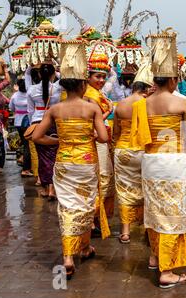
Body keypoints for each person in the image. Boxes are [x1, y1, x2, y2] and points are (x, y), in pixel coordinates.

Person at [32, 41, 109, 279]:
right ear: (84, 84)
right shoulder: (92, 108)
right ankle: (83, 247)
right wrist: (89, 136)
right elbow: (104, 138)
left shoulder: (55, 109)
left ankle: (69, 255)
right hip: (86, 161)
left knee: (66, 206)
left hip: (64, 162)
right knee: (86, 206)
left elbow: (37, 136)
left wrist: (59, 141)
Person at [139, 29, 186, 288]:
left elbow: (140, 137)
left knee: (154, 211)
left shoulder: (144, 103)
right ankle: (167, 270)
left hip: (151, 162)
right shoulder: (182, 103)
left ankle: (155, 256)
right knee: (174, 214)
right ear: (174, 79)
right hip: (174, 162)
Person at [114, 57, 153, 244]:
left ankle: (125, 232)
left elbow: (116, 132)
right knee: (146, 188)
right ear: (147, 88)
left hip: (123, 150)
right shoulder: (148, 104)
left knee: (124, 190)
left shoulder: (121, 104)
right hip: (143, 150)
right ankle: (147, 228)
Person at [83, 50, 115, 236]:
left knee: (103, 178)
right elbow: (91, 122)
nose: (101, 80)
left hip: (102, 139)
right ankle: (94, 220)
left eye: (103, 77)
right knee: (100, 178)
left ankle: (96, 219)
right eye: (97, 76)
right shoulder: (89, 95)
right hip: (95, 140)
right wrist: (106, 112)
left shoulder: (95, 92)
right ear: (87, 77)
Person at [27, 62, 61, 200]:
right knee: (54, 156)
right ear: (53, 74)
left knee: (43, 158)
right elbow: (63, 76)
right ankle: (53, 188)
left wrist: (33, 125)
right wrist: (56, 68)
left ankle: (48, 188)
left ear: (39, 74)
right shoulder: (58, 88)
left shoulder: (32, 89)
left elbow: (30, 111)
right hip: (53, 123)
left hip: (37, 123)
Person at [9, 79, 32, 177]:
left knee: (23, 142)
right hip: (27, 122)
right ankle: (26, 169)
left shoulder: (14, 96)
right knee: (27, 145)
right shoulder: (30, 94)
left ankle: (22, 159)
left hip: (18, 121)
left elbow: (11, 108)